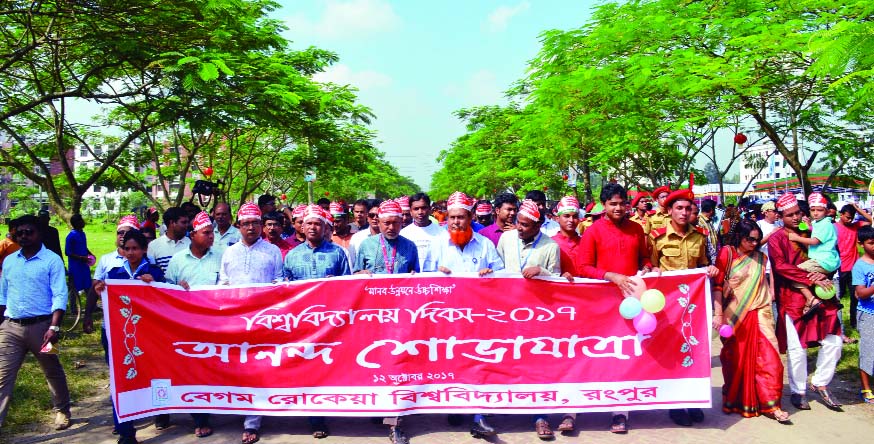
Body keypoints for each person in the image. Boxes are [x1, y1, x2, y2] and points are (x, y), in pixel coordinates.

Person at [421, 191, 503, 438]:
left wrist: (491, 275)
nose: (456, 222)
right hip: (445, 321)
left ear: (470, 217)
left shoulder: (486, 245)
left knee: (479, 366)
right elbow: (424, 283)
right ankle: (455, 406)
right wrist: (437, 274)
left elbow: (504, 280)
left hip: (479, 320)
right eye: (452, 217)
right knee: (452, 366)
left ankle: (479, 417)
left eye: (461, 217)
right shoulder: (437, 246)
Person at [576, 183, 653, 434]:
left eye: (622, 203)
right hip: (600, 305)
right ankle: (577, 409)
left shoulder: (637, 229)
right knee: (596, 355)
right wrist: (612, 276)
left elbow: (644, 257)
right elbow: (583, 268)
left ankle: (620, 412)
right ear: (604, 206)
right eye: (613, 204)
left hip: (631, 302)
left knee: (625, 356)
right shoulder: (593, 231)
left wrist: (647, 267)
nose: (618, 208)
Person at [649, 187, 718, 426]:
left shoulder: (700, 236)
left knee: (694, 352)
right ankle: (675, 404)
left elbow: (704, 266)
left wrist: (710, 270)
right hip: (667, 307)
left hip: (692, 306)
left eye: (688, 208)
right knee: (671, 354)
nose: (684, 212)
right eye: (679, 208)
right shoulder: (656, 237)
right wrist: (653, 270)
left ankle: (693, 400)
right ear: (669, 211)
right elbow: (650, 266)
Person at [768, 193, 843, 411]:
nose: (794, 217)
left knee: (834, 341)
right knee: (797, 348)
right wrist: (809, 277)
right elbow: (780, 267)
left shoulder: (812, 230)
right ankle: (798, 390)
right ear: (781, 216)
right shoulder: (777, 238)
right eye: (789, 215)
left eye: (797, 213)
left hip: (822, 292)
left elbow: (831, 254)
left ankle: (820, 382)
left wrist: (825, 273)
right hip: (792, 298)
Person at [495, 199, 562, 440]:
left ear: (538, 226)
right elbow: (498, 270)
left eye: (525, 225)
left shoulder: (551, 247)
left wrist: (541, 272)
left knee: (538, 366)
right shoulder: (505, 239)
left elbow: (558, 283)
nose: (519, 228)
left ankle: (540, 417)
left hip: (538, 316)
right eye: (517, 223)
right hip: (506, 313)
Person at [712, 219, 789, 423]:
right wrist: (718, 314)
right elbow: (717, 286)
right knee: (735, 360)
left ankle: (772, 404)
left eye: (756, 240)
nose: (754, 243)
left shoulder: (761, 258)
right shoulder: (727, 254)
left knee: (770, 358)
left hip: (761, 312)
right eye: (749, 240)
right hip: (734, 316)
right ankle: (737, 399)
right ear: (739, 237)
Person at [283, 205, 350, 440]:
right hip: (302, 325)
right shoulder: (291, 255)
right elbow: (285, 291)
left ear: (325, 228)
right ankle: (313, 417)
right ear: (302, 226)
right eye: (309, 223)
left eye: (318, 224)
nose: (313, 227)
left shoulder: (338, 253)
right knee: (307, 371)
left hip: (331, 324)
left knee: (327, 371)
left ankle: (325, 412)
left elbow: (349, 289)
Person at [219, 202, 283, 444]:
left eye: (255, 223)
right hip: (234, 320)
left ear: (261, 225)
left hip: (262, 320)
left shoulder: (272, 251)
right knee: (237, 367)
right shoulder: (229, 252)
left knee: (257, 369)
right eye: (246, 224)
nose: (251, 228)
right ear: (238, 226)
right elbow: (222, 286)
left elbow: (279, 284)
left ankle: (252, 422)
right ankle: (237, 409)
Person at [0, 215, 70, 431]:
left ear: (39, 233)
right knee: (2, 376)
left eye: (28, 232)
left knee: (52, 370)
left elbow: (60, 295)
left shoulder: (52, 260)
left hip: (44, 327)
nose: (23, 236)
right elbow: (2, 295)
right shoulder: (10, 260)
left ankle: (62, 410)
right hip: (10, 327)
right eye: (19, 233)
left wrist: (54, 327)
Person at [104, 229, 166, 441]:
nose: (131, 253)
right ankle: (125, 431)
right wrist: (100, 288)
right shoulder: (113, 274)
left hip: (150, 336)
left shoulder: (155, 272)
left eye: (135, 248)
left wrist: (155, 286)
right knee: (122, 379)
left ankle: (161, 412)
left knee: (153, 375)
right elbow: (104, 297)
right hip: (122, 337)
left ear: (144, 249)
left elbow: (168, 299)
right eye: (127, 248)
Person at [164, 211, 220, 437]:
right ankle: (200, 417)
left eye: (212, 233)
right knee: (192, 369)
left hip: (216, 324)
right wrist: (178, 289)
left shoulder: (220, 256)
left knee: (214, 368)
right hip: (186, 325)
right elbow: (165, 290)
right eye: (206, 233)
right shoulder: (177, 260)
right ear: (193, 235)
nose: (211, 237)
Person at [784, 193, 841, 313]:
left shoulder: (826, 224)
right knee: (813, 277)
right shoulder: (818, 222)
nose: (815, 213)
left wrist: (796, 238)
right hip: (825, 260)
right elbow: (811, 230)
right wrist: (804, 224)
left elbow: (814, 241)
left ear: (826, 211)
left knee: (796, 274)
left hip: (822, 260)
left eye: (819, 210)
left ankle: (811, 299)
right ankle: (832, 297)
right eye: (813, 210)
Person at [355, 200, 419, 275]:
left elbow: (416, 274)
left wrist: (414, 275)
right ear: (378, 222)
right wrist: (360, 273)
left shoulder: (410, 246)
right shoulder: (366, 245)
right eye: (387, 223)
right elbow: (356, 273)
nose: (391, 227)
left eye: (395, 223)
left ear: (401, 222)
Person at [837, 203, 872, 329]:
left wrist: (857, 208)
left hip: (852, 268)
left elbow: (870, 220)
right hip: (839, 268)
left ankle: (854, 322)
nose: (849, 220)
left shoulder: (855, 227)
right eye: (847, 217)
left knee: (854, 297)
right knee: (838, 297)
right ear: (841, 215)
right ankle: (838, 326)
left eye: (851, 217)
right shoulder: (834, 227)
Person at [853, 226, 874, 403]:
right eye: (871, 243)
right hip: (868, 314)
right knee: (868, 350)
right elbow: (860, 293)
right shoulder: (859, 266)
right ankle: (865, 388)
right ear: (861, 244)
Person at [400, 193, 444, 272]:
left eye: (423, 208)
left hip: (437, 281)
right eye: (416, 209)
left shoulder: (442, 233)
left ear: (430, 209)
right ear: (410, 211)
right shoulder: (403, 234)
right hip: (412, 281)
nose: (420, 212)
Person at [147, 207, 190, 273]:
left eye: (187, 222)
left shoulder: (192, 244)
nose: (187, 225)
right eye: (184, 222)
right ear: (172, 222)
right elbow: (151, 272)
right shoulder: (153, 246)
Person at [552, 196, 582, 279]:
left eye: (575, 216)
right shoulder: (550, 243)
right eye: (566, 216)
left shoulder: (585, 242)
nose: (571, 220)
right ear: (558, 218)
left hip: (583, 289)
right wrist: (560, 276)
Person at [65, 214, 93, 299]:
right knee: (74, 287)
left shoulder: (82, 234)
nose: (83, 221)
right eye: (80, 220)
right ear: (76, 223)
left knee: (88, 284)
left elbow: (83, 246)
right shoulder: (71, 236)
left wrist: (89, 253)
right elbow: (68, 252)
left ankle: (91, 304)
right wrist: (81, 258)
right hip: (75, 266)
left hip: (84, 265)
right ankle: (74, 308)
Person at [349, 199, 382, 269]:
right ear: (367, 216)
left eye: (378, 215)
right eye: (372, 215)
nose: (375, 218)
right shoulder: (357, 238)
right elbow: (352, 265)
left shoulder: (391, 238)